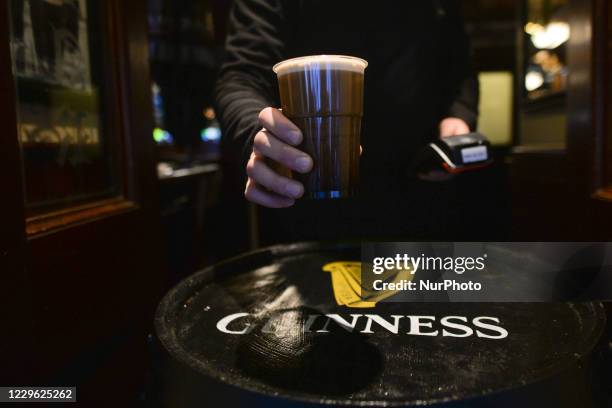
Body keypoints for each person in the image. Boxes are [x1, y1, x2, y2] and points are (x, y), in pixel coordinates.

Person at [215, 0, 480, 243]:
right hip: (312, 210)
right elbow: (241, 78)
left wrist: (458, 117)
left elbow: (461, 69)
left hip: (420, 198)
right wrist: (259, 134)